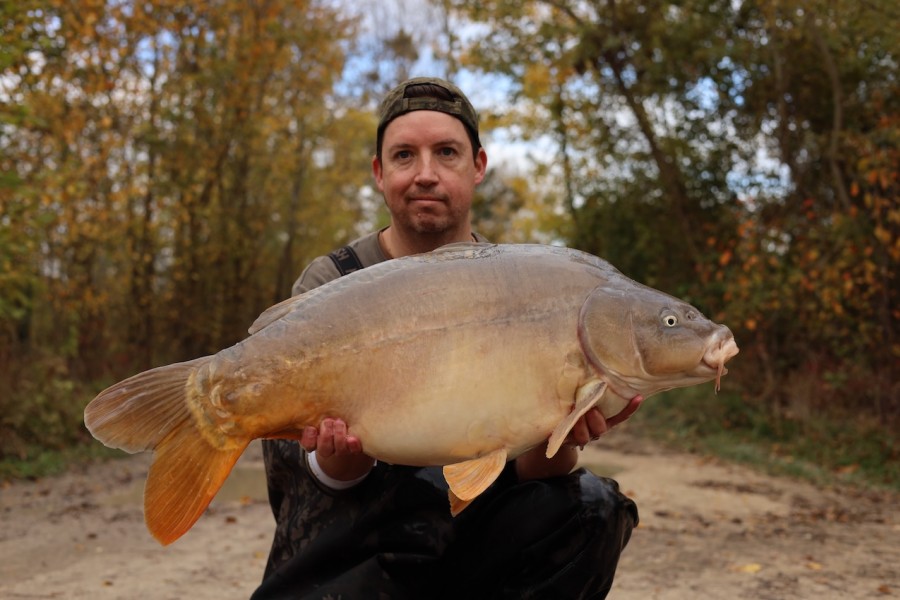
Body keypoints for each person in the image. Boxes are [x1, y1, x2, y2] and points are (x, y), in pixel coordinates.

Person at [251, 77, 639, 600]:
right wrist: (346, 452)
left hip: (473, 540)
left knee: (592, 507)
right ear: (379, 172)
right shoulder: (330, 283)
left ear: (477, 166)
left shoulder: (525, 285)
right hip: (355, 545)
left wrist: (563, 434)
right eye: (404, 155)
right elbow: (305, 482)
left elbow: (531, 476)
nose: (426, 174)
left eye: (447, 153)